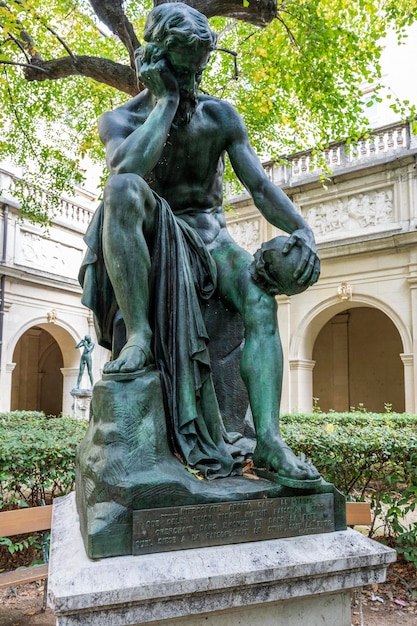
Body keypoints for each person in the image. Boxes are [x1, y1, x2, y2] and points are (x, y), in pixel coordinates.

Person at [80, 3, 321, 487]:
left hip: (212, 237)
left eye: (199, 68)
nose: (193, 78)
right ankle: (141, 337)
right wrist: (165, 101)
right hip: (158, 233)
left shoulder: (220, 115)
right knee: (122, 191)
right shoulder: (120, 120)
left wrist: (303, 230)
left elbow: (259, 186)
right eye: (182, 68)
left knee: (258, 299)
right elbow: (127, 169)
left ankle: (270, 441)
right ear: (154, 59)